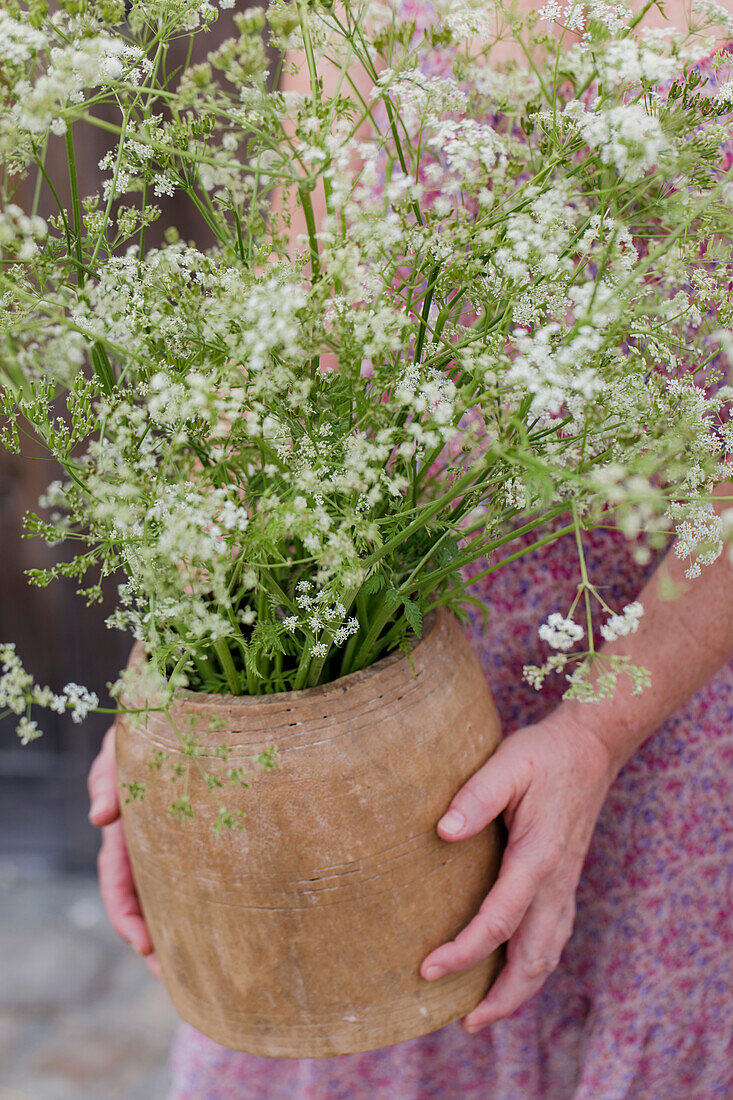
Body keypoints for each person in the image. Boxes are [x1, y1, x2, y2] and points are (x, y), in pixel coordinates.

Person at [87, 2, 733, 1096]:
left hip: (672, 681)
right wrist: (185, 694)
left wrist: (596, 727)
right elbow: (289, 346)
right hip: (373, 676)